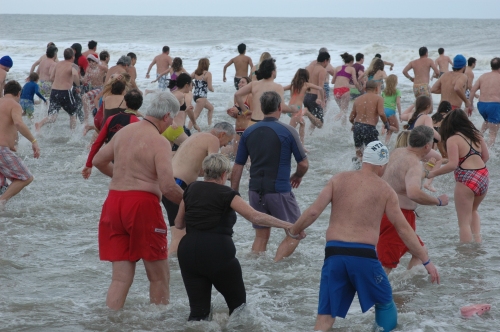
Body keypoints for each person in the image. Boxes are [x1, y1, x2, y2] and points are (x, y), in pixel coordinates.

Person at [286, 140, 439, 332]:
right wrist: (426, 260)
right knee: (385, 303)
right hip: (363, 257)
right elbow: (404, 229)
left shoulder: (338, 179)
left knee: (325, 318)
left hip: (334, 255)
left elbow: (313, 212)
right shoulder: (385, 190)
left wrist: (293, 230)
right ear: (382, 165)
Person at [175, 154, 303, 321]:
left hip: (187, 251)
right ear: (223, 174)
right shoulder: (227, 193)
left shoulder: (190, 189)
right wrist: (288, 225)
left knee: (198, 314)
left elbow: (178, 223)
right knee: (238, 309)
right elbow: (255, 217)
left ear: (204, 171)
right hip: (217, 251)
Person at [92, 90, 184, 310]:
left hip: (114, 203)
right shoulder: (159, 142)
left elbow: (98, 160)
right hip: (142, 206)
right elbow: (168, 186)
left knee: (120, 279)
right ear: (166, 116)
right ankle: (159, 324)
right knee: (159, 277)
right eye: (172, 120)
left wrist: (124, 177)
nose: (172, 124)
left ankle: (112, 323)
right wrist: (192, 199)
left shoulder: (124, 133)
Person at [231, 91, 308, 261]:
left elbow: (238, 166)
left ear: (262, 108)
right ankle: (276, 263)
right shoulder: (288, 131)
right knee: (296, 232)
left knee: (261, 237)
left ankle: (260, 276)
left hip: (255, 191)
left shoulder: (249, 132)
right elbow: (303, 164)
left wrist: (233, 193)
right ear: (280, 107)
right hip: (279, 191)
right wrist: (297, 175)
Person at [377, 126, 449, 276]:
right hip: (398, 217)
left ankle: (405, 289)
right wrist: (438, 201)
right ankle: (375, 296)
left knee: (421, 252)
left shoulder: (396, 153)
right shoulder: (414, 163)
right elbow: (414, 193)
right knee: (385, 266)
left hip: (381, 211)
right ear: (427, 146)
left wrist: (426, 173)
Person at [162, 122, 235, 254]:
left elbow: (200, 170)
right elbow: (215, 168)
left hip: (170, 182)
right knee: (179, 236)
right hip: (178, 184)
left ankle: (176, 264)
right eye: (227, 142)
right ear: (222, 134)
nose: (225, 146)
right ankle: (170, 269)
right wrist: (229, 175)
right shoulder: (213, 140)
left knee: (181, 232)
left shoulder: (197, 136)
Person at [427, 109, 489, 243]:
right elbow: (486, 156)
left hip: (466, 179)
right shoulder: (477, 135)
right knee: (473, 211)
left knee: (464, 223)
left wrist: (432, 173)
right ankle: (478, 243)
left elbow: (453, 164)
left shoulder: (453, 139)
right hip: (483, 175)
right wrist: (475, 171)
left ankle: (465, 256)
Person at [82, 89, 142, 180]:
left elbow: (97, 143)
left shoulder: (111, 119)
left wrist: (88, 165)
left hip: (112, 159)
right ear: (140, 105)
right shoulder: (138, 123)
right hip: (129, 163)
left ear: (125, 102)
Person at [0, 81, 40, 209]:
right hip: (1, 150)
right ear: (18, 94)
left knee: (3, 184)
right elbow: (18, 123)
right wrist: (34, 141)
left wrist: (10, 143)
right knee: (26, 177)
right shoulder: (15, 105)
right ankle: (2, 202)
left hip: (3, 148)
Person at [400, 95, 442, 191]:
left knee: (423, 161)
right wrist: (441, 137)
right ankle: (428, 183)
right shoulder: (426, 117)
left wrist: (412, 105)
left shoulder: (411, 115)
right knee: (438, 159)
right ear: (428, 106)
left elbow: (402, 116)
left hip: (406, 144)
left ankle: (418, 178)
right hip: (416, 146)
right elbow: (431, 131)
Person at [234, 58, 291, 125]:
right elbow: (283, 108)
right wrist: (294, 109)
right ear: (273, 72)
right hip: (268, 124)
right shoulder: (278, 87)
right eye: (276, 69)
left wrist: (246, 111)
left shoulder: (254, 84)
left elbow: (237, 95)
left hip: (253, 123)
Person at [35, 48, 80, 131]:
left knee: (52, 117)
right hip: (65, 92)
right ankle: (73, 133)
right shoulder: (73, 65)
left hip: (54, 91)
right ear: (73, 57)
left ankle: (40, 123)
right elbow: (75, 75)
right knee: (73, 113)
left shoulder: (57, 64)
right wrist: (78, 86)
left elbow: (52, 77)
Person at [349, 81, 389, 166]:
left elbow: (351, 117)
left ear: (365, 89)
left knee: (359, 152)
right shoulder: (378, 98)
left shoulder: (358, 99)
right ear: (376, 88)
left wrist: (354, 124)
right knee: (375, 152)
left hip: (357, 127)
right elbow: (381, 113)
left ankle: (357, 168)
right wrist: (386, 123)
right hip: (369, 128)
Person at [284, 68, 324, 146]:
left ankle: (302, 145)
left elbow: (280, 89)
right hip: (297, 109)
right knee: (290, 130)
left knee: (302, 123)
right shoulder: (306, 84)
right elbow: (320, 88)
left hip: (289, 109)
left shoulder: (292, 85)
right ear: (306, 76)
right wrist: (321, 99)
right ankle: (283, 144)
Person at [161, 73, 201, 148]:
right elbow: (166, 106)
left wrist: (185, 110)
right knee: (193, 148)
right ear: (186, 85)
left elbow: (175, 110)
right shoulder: (180, 95)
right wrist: (172, 121)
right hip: (175, 130)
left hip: (168, 130)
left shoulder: (173, 93)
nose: (192, 87)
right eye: (191, 84)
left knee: (170, 156)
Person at [469, 57, 500, 147]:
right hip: (494, 106)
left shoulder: (483, 76)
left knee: (487, 121)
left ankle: (477, 137)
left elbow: (472, 90)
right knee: (493, 133)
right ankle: (489, 154)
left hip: (481, 105)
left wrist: (470, 105)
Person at [332, 52, 361, 126]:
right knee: (344, 111)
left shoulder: (337, 68)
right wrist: (359, 88)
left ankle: (343, 125)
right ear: (351, 61)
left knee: (342, 110)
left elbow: (332, 81)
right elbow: (355, 82)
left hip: (336, 91)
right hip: (345, 90)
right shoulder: (352, 69)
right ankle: (332, 120)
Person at [303, 51, 329, 128]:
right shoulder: (322, 70)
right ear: (325, 61)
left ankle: (309, 135)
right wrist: (320, 99)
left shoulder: (308, 68)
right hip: (314, 97)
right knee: (320, 124)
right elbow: (320, 86)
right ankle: (306, 112)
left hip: (306, 97)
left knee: (314, 120)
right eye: (328, 61)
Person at [226, 77, 252, 156]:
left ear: (248, 84)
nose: (239, 84)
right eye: (239, 82)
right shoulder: (237, 96)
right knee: (236, 155)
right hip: (238, 130)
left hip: (247, 129)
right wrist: (233, 114)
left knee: (247, 157)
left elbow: (254, 114)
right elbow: (238, 116)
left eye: (242, 82)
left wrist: (240, 111)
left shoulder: (250, 96)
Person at [189, 58, 215, 127]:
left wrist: (191, 84)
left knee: (211, 108)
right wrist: (213, 89)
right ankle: (187, 130)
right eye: (208, 63)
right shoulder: (208, 74)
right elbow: (209, 87)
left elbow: (188, 78)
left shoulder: (195, 72)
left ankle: (209, 125)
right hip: (202, 97)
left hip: (195, 96)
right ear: (206, 65)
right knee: (195, 115)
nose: (209, 64)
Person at [381, 74, 401, 144]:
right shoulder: (397, 91)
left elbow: (382, 102)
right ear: (395, 82)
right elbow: (398, 103)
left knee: (390, 131)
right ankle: (385, 126)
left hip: (383, 111)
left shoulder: (383, 91)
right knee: (397, 129)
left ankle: (386, 144)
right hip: (390, 111)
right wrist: (400, 114)